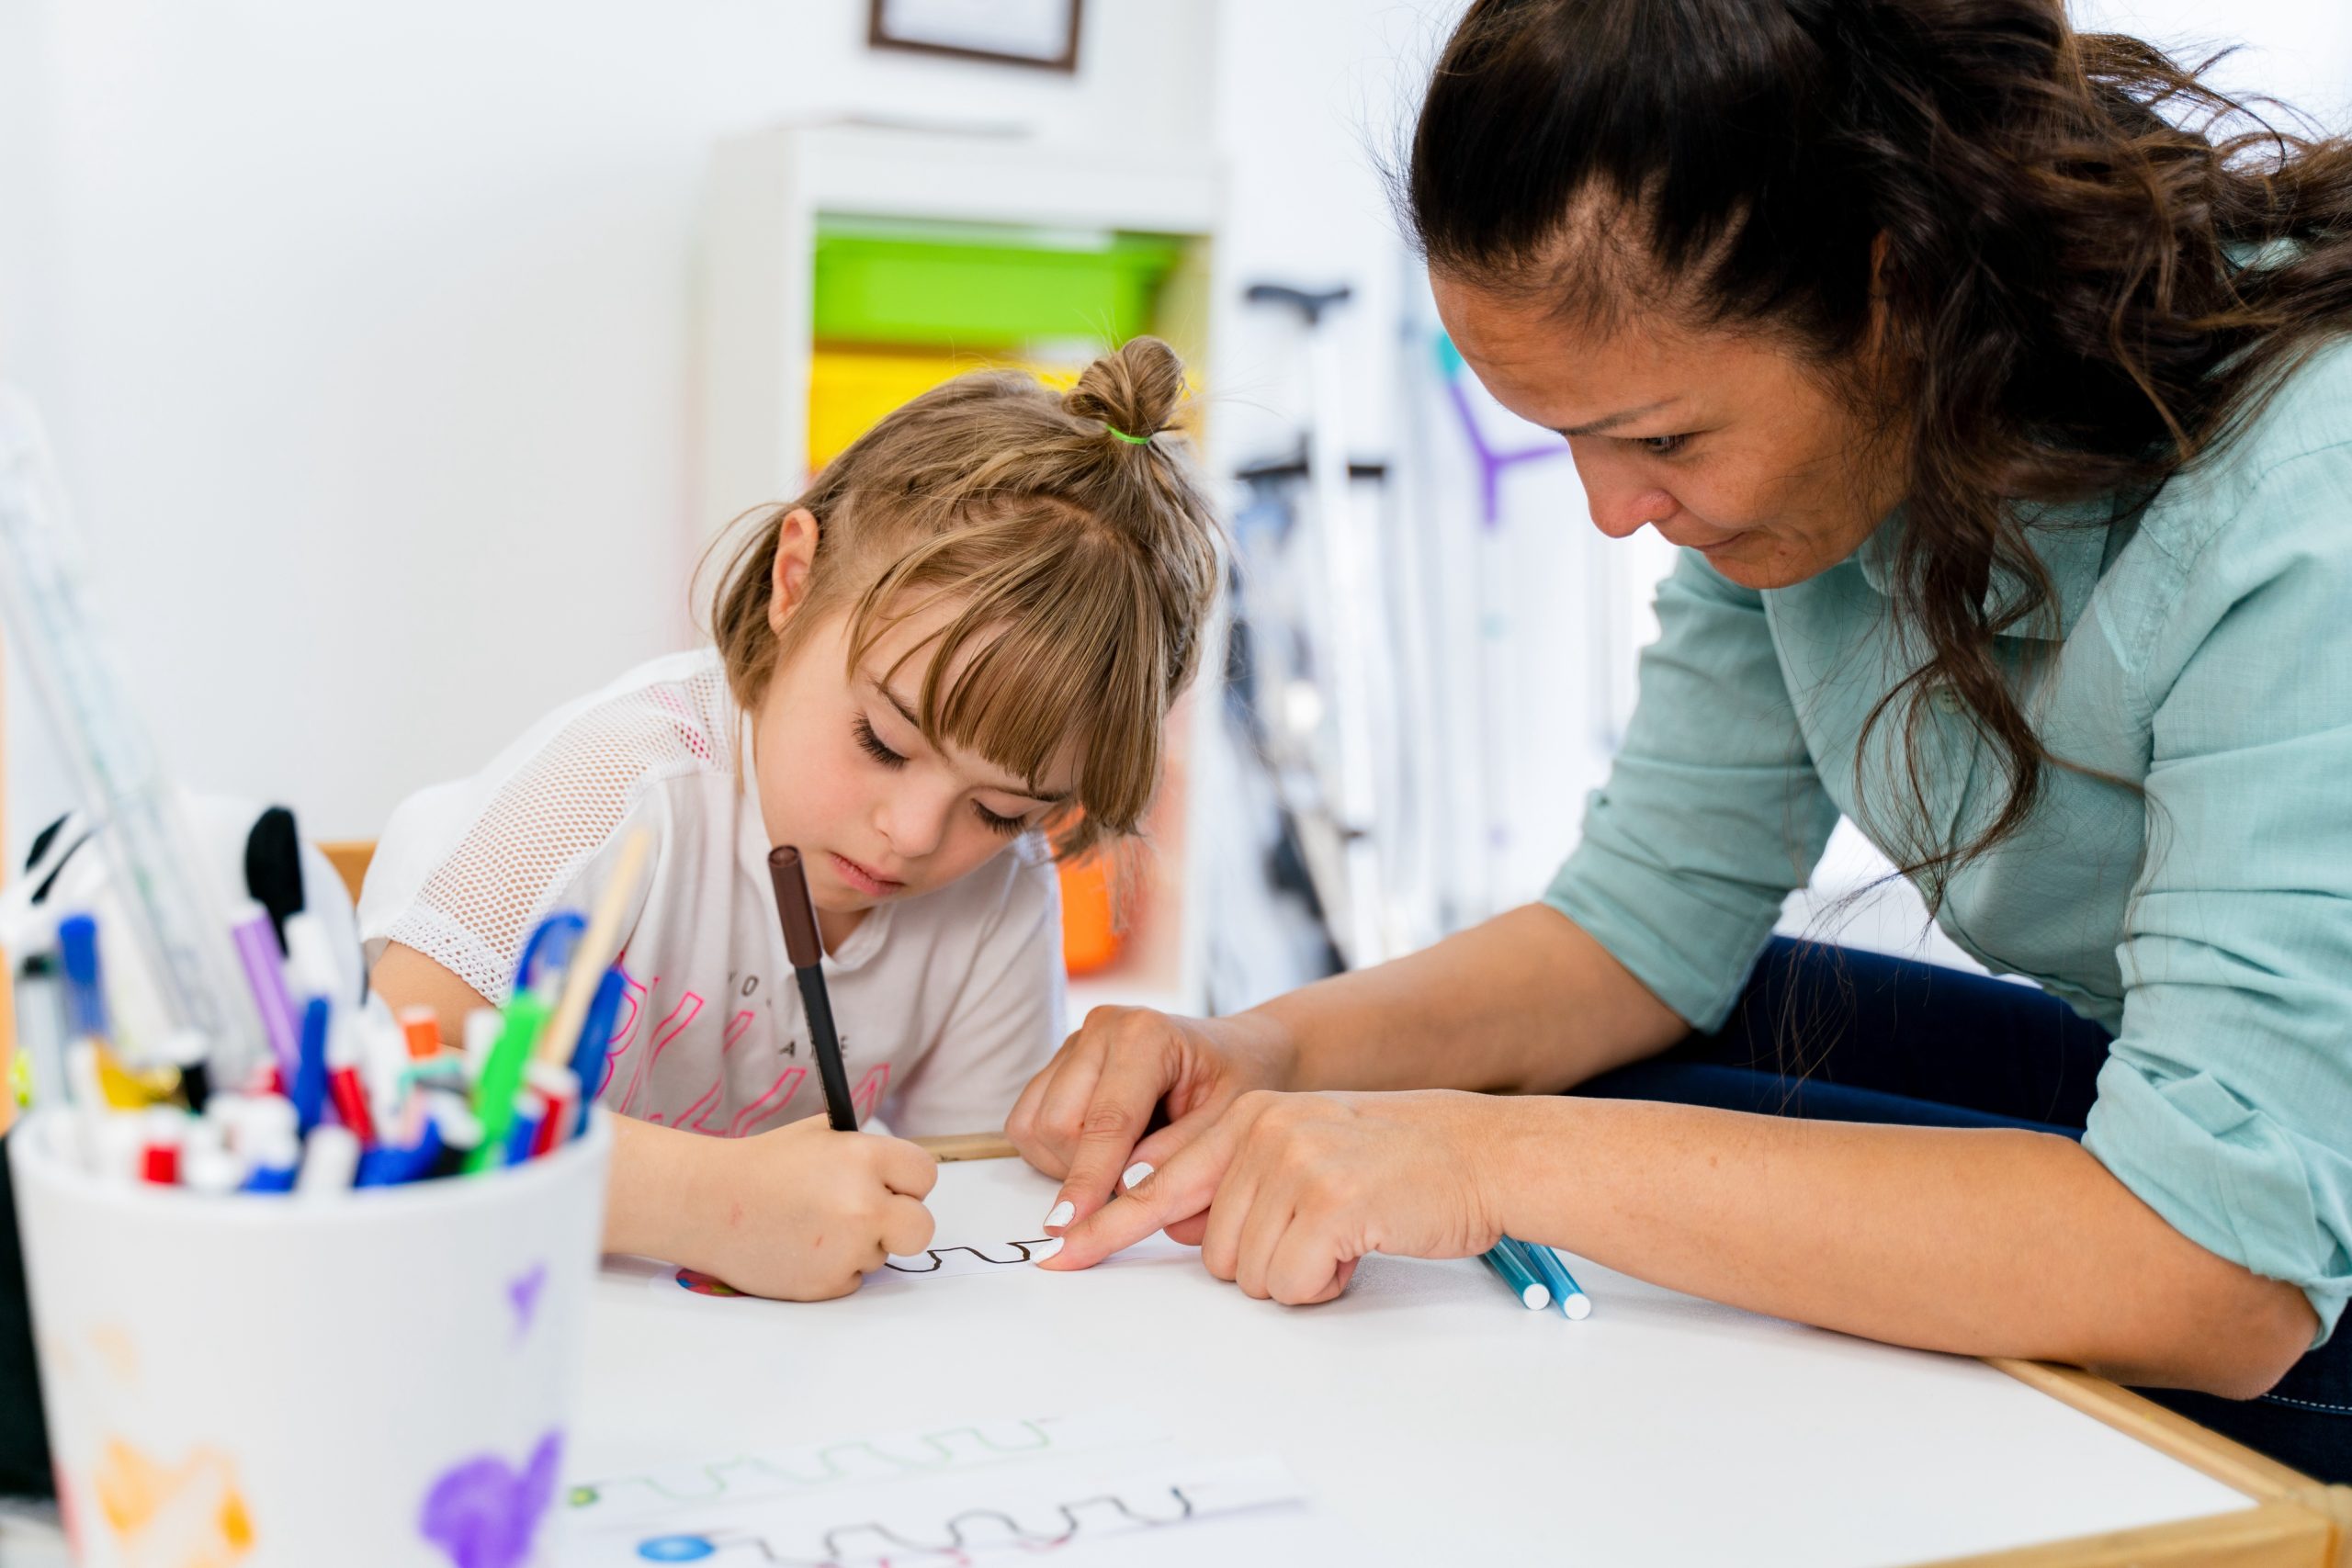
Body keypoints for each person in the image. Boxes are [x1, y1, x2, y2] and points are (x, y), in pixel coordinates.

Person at [1014, 0, 2352, 1477]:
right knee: (1677, 1039)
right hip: (2191, 1098)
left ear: (1891, 285)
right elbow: (1641, 928)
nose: (1610, 510)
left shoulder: (2311, 486)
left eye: (1659, 440)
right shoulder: (1841, 455)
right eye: (1568, 439)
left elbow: (2227, 1271)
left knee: (1557, 1145)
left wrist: (1470, 1154)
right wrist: (1263, 1049)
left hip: (2285, 1257)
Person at [366, 338, 1219, 1301]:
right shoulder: (612, 790)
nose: (913, 834)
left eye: (999, 808)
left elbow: (981, 1200)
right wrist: (701, 1202)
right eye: (883, 742)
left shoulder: (993, 894)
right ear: (793, 582)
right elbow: (385, 1096)